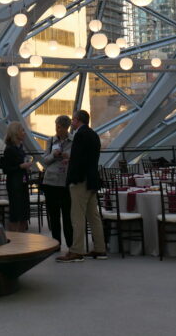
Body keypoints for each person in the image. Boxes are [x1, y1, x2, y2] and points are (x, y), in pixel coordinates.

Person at [57, 110, 106, 262]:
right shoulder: (93, 135)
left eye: (73, 120)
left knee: (77, 216)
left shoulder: (79, 135)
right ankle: (100, 248)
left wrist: (71, 172)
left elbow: (78, 160)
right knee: (94, 216)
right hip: (91, 180)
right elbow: (87, 158)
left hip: (80, 181)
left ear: (77, 120)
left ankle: (76, 251)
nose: (72, 122)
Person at [41, 115, 73, 247]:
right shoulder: (50, 141)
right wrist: (53, 155)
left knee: (67, 215)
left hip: (66, 181)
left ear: (66, 128)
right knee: (54, 215)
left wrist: (68, 157)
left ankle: (71, 244)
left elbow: (77, 157)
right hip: (51, 182)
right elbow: (45, 160)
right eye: (56, 126)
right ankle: (56, 243)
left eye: (59, 127)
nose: (57, 129)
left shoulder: (73, 141)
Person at [0, 121, 32, 232]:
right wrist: (21, 166)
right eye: (22, 130)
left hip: (22, 182)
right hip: (14, 184)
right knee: (16, 211)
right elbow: (6, 169)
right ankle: (15, 237)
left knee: (23, 212)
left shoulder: (19, 148)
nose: (24, 133)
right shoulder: (10, 149)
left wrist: (25, 166)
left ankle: (22, 235)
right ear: (16, 132)